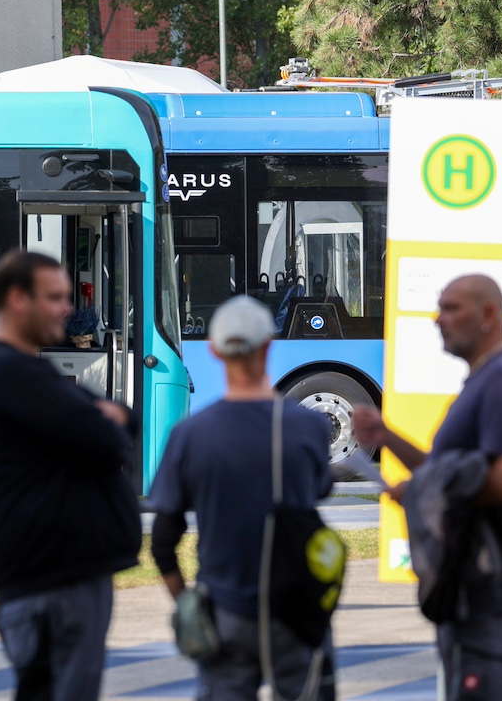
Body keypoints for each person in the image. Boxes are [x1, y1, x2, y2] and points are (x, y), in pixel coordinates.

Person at [354, 274, 502, 701]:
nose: (438, 319)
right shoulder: (483, 378)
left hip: (485, 564)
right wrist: (387, 438)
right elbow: (444, 470)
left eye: (452, 308)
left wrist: (429, 491)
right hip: (468, 566)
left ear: (489, 315)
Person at [0, 249, 141, 701]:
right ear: (18, 299)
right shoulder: (12, 372)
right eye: (55, 297)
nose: (67, 308)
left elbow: (120, 422)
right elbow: (108, 441)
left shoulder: (25, 371)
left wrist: (104, 420)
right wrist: (102, 420)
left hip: (54, 574)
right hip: (54, 579)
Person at [149, 295, 336, 701]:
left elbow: (163, 540)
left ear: (214, 350)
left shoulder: (190, 435)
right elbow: (320, 490)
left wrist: (186, 602)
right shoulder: (309, 427)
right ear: (269, 345)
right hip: (297, 608)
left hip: (225, 609)